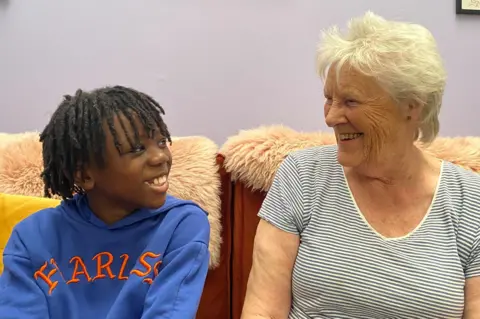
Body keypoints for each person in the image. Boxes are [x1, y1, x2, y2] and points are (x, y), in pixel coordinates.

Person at [241, 11, 480, 319]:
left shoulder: (470, 200)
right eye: (329, 99)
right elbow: (263, 310)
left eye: (351, 101)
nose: (330, 117)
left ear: (411, 107)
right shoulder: (301, 176)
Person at [0, 86, 211, 318]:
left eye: (161, 142)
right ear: (85, 176)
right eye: (138, 149)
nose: (160, 156)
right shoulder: (32, 237)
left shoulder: (181, 225)